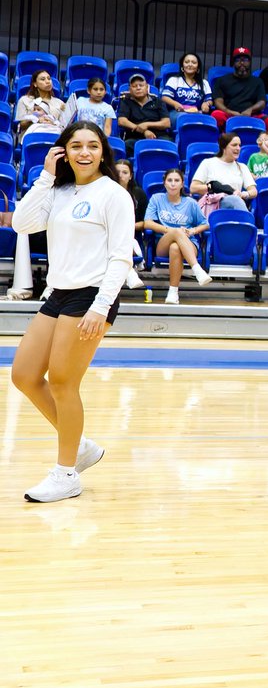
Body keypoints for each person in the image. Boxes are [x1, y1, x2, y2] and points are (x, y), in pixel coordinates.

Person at [10, 122, 134, 503]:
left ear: (103, 152)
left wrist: (100, 307)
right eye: (76, 145)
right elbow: (21, 223)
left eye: (92, 146)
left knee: (63, 381)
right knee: (25, 375)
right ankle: (79, 446)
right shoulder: (58, 190)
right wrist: (46, 176)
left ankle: (66, 474)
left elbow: (120, 257)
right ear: (63, 151)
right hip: (59, 293)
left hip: (93, 294)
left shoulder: (114, 195)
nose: (84, 153)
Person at [143, 168, 212, 304]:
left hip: (189, 243)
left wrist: (192, 231)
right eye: (169, 180)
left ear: (182, 184)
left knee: (175, 247)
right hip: (163, 244)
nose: (173, 184)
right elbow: (147, 223)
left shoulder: (191, 203)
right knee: (176, 232)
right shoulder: (157, 199)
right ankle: (197, 269)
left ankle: (173, 293)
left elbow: (205, 224)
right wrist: (169, 230)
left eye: (176, 180)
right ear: (164, 183)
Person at [190, 133, 257, 211]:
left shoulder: (242, 167)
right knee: (235, 200)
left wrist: (244, 194)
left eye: (239, 145)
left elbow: (254, 191)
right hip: (213, 204)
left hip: (235, 204)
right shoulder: (208, 163)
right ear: (223, 147)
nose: (238, 148)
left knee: (236, 200)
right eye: (234, 145)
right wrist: (215, 188)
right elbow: (193, 188)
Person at [211, 47, 268, 132]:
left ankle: (261, 143)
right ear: (233, 63)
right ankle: (223, 141)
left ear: (249, 62)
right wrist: (229, 111)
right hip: (229, 115)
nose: (242, 63)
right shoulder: (222, 80)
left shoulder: (258, 81)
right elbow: (217, 101)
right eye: (238, 60)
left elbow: (262, 102)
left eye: (245, 60)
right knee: (216, 115)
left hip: (251, 115)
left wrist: (250, 110)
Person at [161, 52, 213, 127]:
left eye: (194, 62)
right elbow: (164, 97)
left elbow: (209, 100)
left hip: (197, 113)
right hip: (177, 113)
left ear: (198, 68)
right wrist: (175, 104)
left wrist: (206, 104)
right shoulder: (174, 80)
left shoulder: (204, 83)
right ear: (182, 66)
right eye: (187, 62)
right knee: (184, 118)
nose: (190, 64)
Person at [116, 73, 173, 141]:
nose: (138, 88)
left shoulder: (158, 101)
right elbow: (122, 121)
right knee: (127, 145)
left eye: (141, 85)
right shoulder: (126, 102)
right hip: (134, 137)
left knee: (167, 143)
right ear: (130, 90)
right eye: (134, 86)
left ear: (147, 88)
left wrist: (147, 124)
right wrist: (144, 131)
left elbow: (166, 123)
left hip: (159, 136)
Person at [15, 70, 68, 139]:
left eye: (49, 79)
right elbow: (21, 125)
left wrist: (54, 123)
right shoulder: (24, 100)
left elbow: (64, 127)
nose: (47, 81)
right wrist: (37, 120)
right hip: (32, 138)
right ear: (35, 84)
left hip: (54, 137)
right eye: (43, 79)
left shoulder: (60, 103)